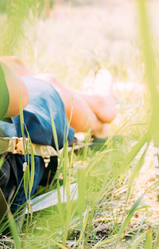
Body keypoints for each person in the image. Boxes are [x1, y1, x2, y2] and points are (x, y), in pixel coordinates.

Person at [0, 56, 118, 212]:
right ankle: (99, 121)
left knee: (14, 64)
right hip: (13, 178)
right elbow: (18, 98)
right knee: (46, 83)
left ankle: (96, 102)